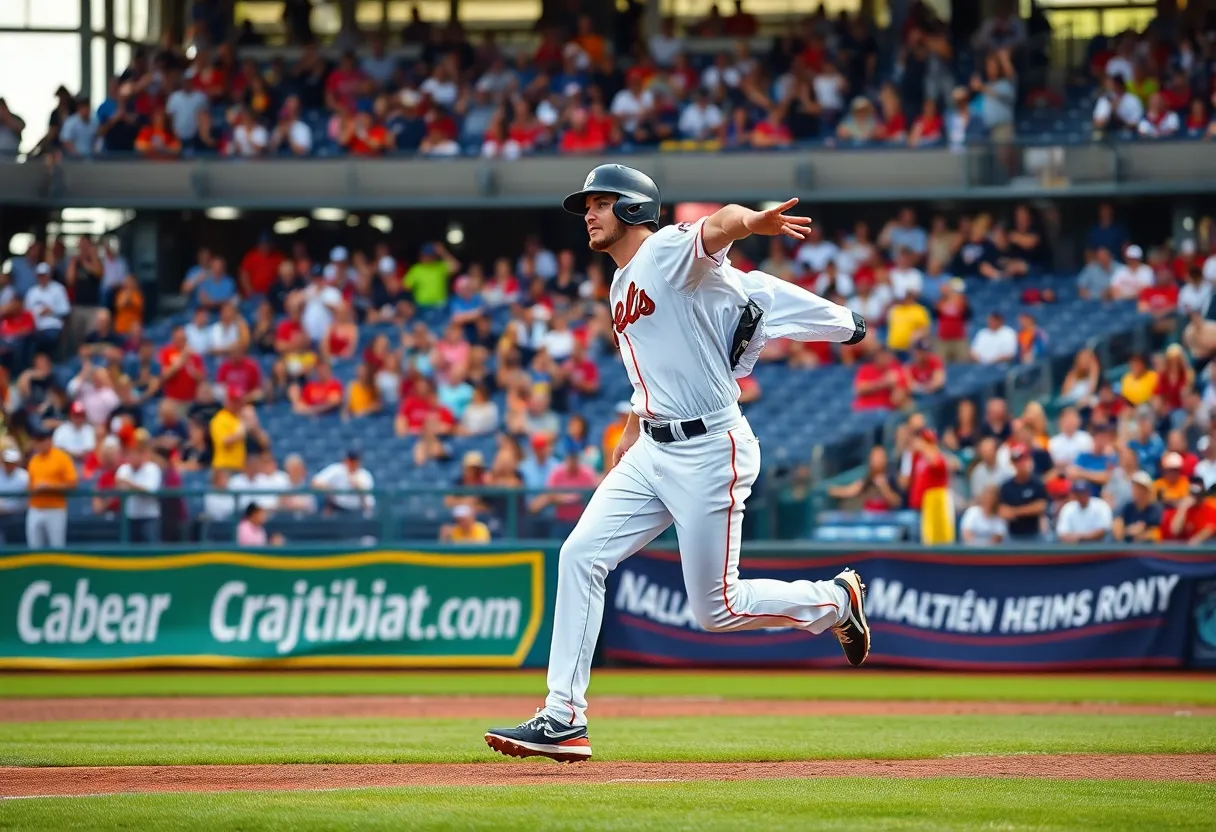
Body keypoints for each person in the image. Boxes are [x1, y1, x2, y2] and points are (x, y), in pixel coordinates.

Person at [485, 164, 871, 762]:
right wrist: (631, 427)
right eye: (585, 204)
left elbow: (718, 226)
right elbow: (653, 367)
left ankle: (834, 601)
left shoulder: (666, 251)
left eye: (601, 202)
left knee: (717, 610)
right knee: (579, 555)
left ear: (635, 209)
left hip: (711, 448)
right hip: (652, 446)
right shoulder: (618, 286)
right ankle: (563, 716)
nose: (588, 213)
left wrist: (754, 221)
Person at [25, 427, 78, 549]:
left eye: (42, 440)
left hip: (55, 509)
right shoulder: (34, 460)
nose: (39, 443)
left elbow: (73, 484)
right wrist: (35, 488)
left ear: (49, 440)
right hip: (35, 508)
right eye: (37, 440)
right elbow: (29, 486)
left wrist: (50, 487)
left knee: (56, 547)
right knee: (34, 548)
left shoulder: (62, 458)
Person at [115, 430, 163, 543]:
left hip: (149, 518)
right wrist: (131, 486)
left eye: (135, 453)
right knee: (128, 554)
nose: (132, 457)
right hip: (129, 517)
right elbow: (119, 488)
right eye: (130, 453)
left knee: (151, 553)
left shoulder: (152, 469)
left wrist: (129, 484)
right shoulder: (123, 469)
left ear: (141, 454)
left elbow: (150, 491)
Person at [997, 444, 1048, 541]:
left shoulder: (1036, 483)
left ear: (1028, 460)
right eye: (1016, 462)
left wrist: (1015, 511)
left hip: (1034, 534)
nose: (1020, 464)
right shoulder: (1006, 486)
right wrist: (1028, 509)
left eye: (1022, 460)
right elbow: (1003, 512)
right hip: (1013, 535)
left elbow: (1040, 507)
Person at [1112, 471, 1162, 543]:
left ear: (1147, 490)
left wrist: (1128, 531)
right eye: (1135, 487)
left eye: (1141, 488)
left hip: (1150, 550)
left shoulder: (1155, 508)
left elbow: (1149, 533)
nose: (1137, 491)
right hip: (1128, 549)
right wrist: (1126, 531)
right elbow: (1118, 530)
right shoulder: (1127, 507)